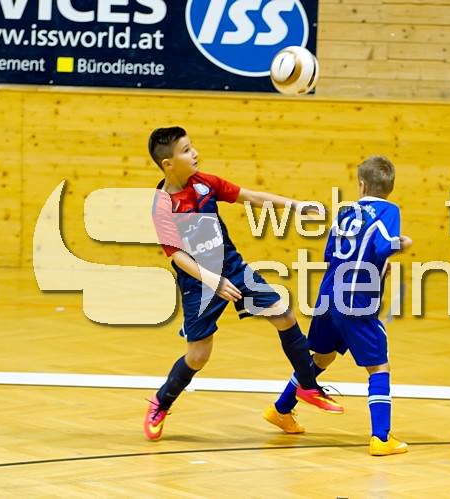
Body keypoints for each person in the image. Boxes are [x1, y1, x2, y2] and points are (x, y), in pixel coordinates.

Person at [144, 126, 343, 441]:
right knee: (198, 356)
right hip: (199, 283)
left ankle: (308, 386)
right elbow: (177, 255)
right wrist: (214, 281)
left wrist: (295, 205)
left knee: (283, 315)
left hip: (233, 268)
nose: (194, 153)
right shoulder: (162, 206)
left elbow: (251, 197)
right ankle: (161, 402)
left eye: (192, 146)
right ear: (168, 163)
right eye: (186, 150)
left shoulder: (205, 183)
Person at [263, 155, 412, 456]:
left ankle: (281, 409)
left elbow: (331, 254)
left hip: (329, 294)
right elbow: (383, 245)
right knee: (378, 366)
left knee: (323, 357)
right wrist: (402, 244)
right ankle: (381, 437)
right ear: (390, 187)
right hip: (357, 299)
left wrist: (377, 266)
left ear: (361, 185)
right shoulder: (389, 210)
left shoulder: (345, 213)